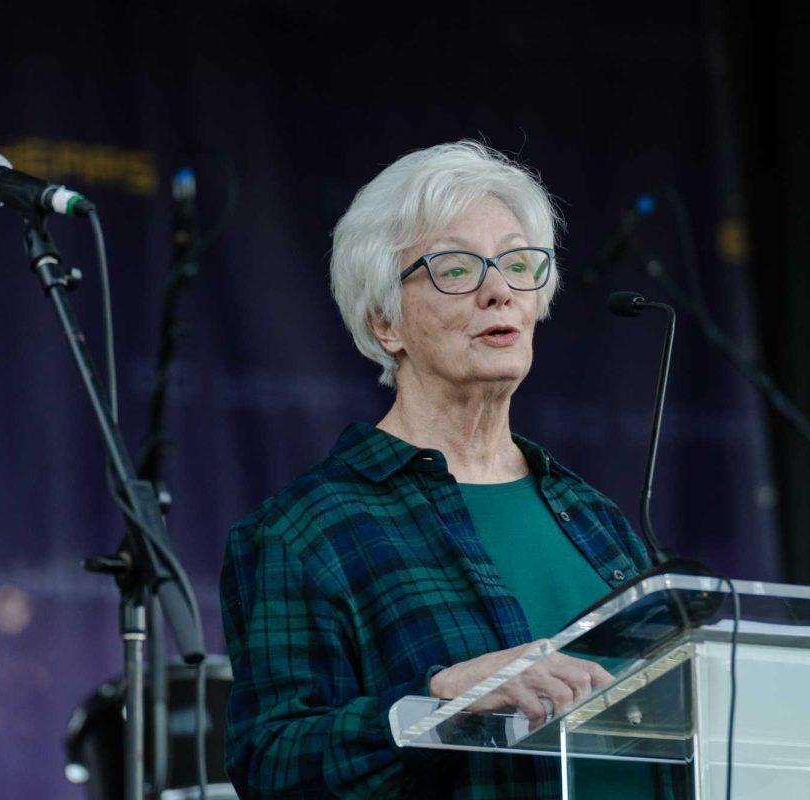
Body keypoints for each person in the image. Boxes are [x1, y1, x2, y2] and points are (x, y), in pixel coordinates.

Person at [220, 141, 661, 798]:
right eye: (456, 270)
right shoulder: (303, 532)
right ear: (383, 322)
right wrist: (438, 701)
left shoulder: (593, 517)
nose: (499, 291)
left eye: (517, 263)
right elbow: (274, 765)